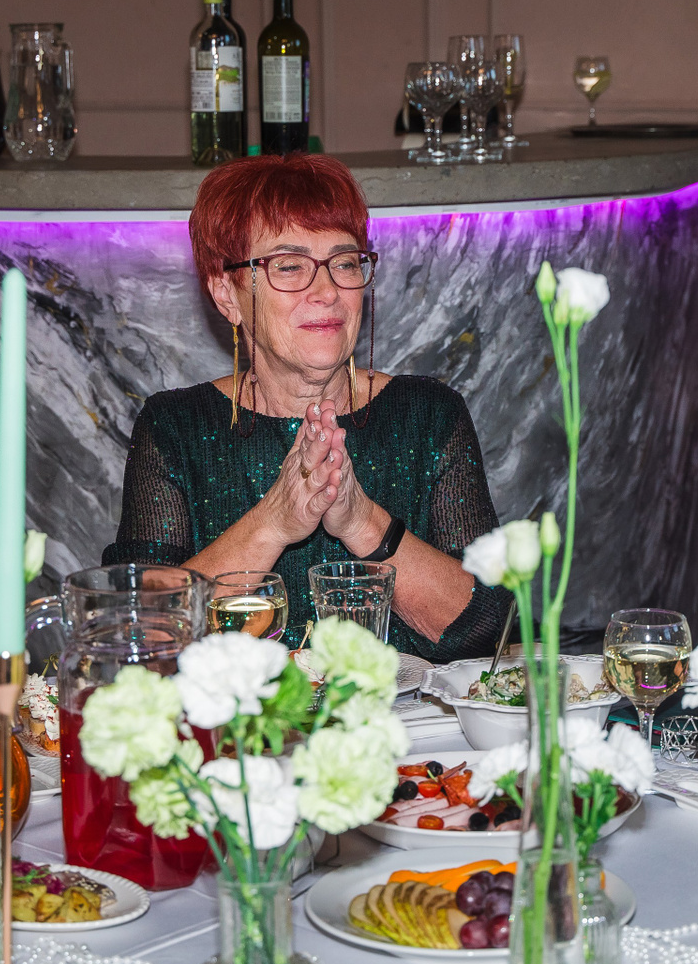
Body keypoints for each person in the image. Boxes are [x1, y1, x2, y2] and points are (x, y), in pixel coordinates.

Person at [104, 153, 510, 661]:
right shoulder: (175, 427)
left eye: (344, 263)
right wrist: (274, 521)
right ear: (226, 293)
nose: (327, 291)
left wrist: (361, 521)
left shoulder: (429, 414)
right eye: (290, 266)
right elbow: (137, 637)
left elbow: (489, 632)